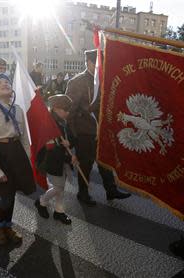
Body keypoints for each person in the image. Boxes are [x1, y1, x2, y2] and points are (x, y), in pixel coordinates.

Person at [65, 49, 131, 206]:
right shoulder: (76, 82)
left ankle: (111, 190)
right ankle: (82, 193)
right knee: (86, 165)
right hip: (85, 132)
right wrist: (74, 136)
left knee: (105, 162)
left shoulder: (104, 80)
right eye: (97, 64)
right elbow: (70, 112)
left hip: (101, 131)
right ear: (88, 62)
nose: (100, 67)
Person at [0, 73, 35, 246]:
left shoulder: (18, 109)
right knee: (5, 195)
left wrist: (29, 159)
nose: (5, 84)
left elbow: (24, 138)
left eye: (7, 81)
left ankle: (7, 225)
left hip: (17, 153)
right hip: (1, 154)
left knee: (12, 193)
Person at [35, 94, 77, 225]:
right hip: (52, 161)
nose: (68, 112)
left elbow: (71, 137)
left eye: (69, 109)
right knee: (58, 187)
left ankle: (59, 211)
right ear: (56, 108)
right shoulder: (49, 125)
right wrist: (69, 156)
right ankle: (41, 201)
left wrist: (69, 143)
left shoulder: (63, 122)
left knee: (61, 187)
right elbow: (50, 149)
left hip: (62, 160)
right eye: (66, 110)